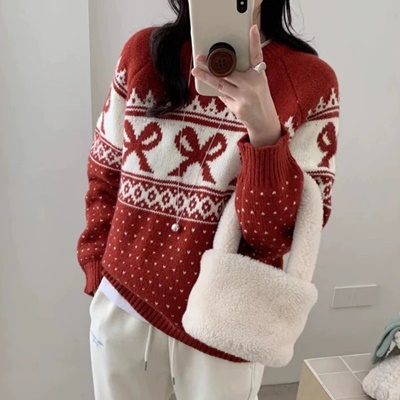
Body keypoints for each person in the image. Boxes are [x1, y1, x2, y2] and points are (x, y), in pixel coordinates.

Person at [77, 0, 340, 398]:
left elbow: (275, 235)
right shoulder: (143, 54)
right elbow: (104, 171)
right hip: (124, 306)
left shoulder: (310, 82)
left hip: (227, 323)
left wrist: (265, 135)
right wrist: (97, 269)